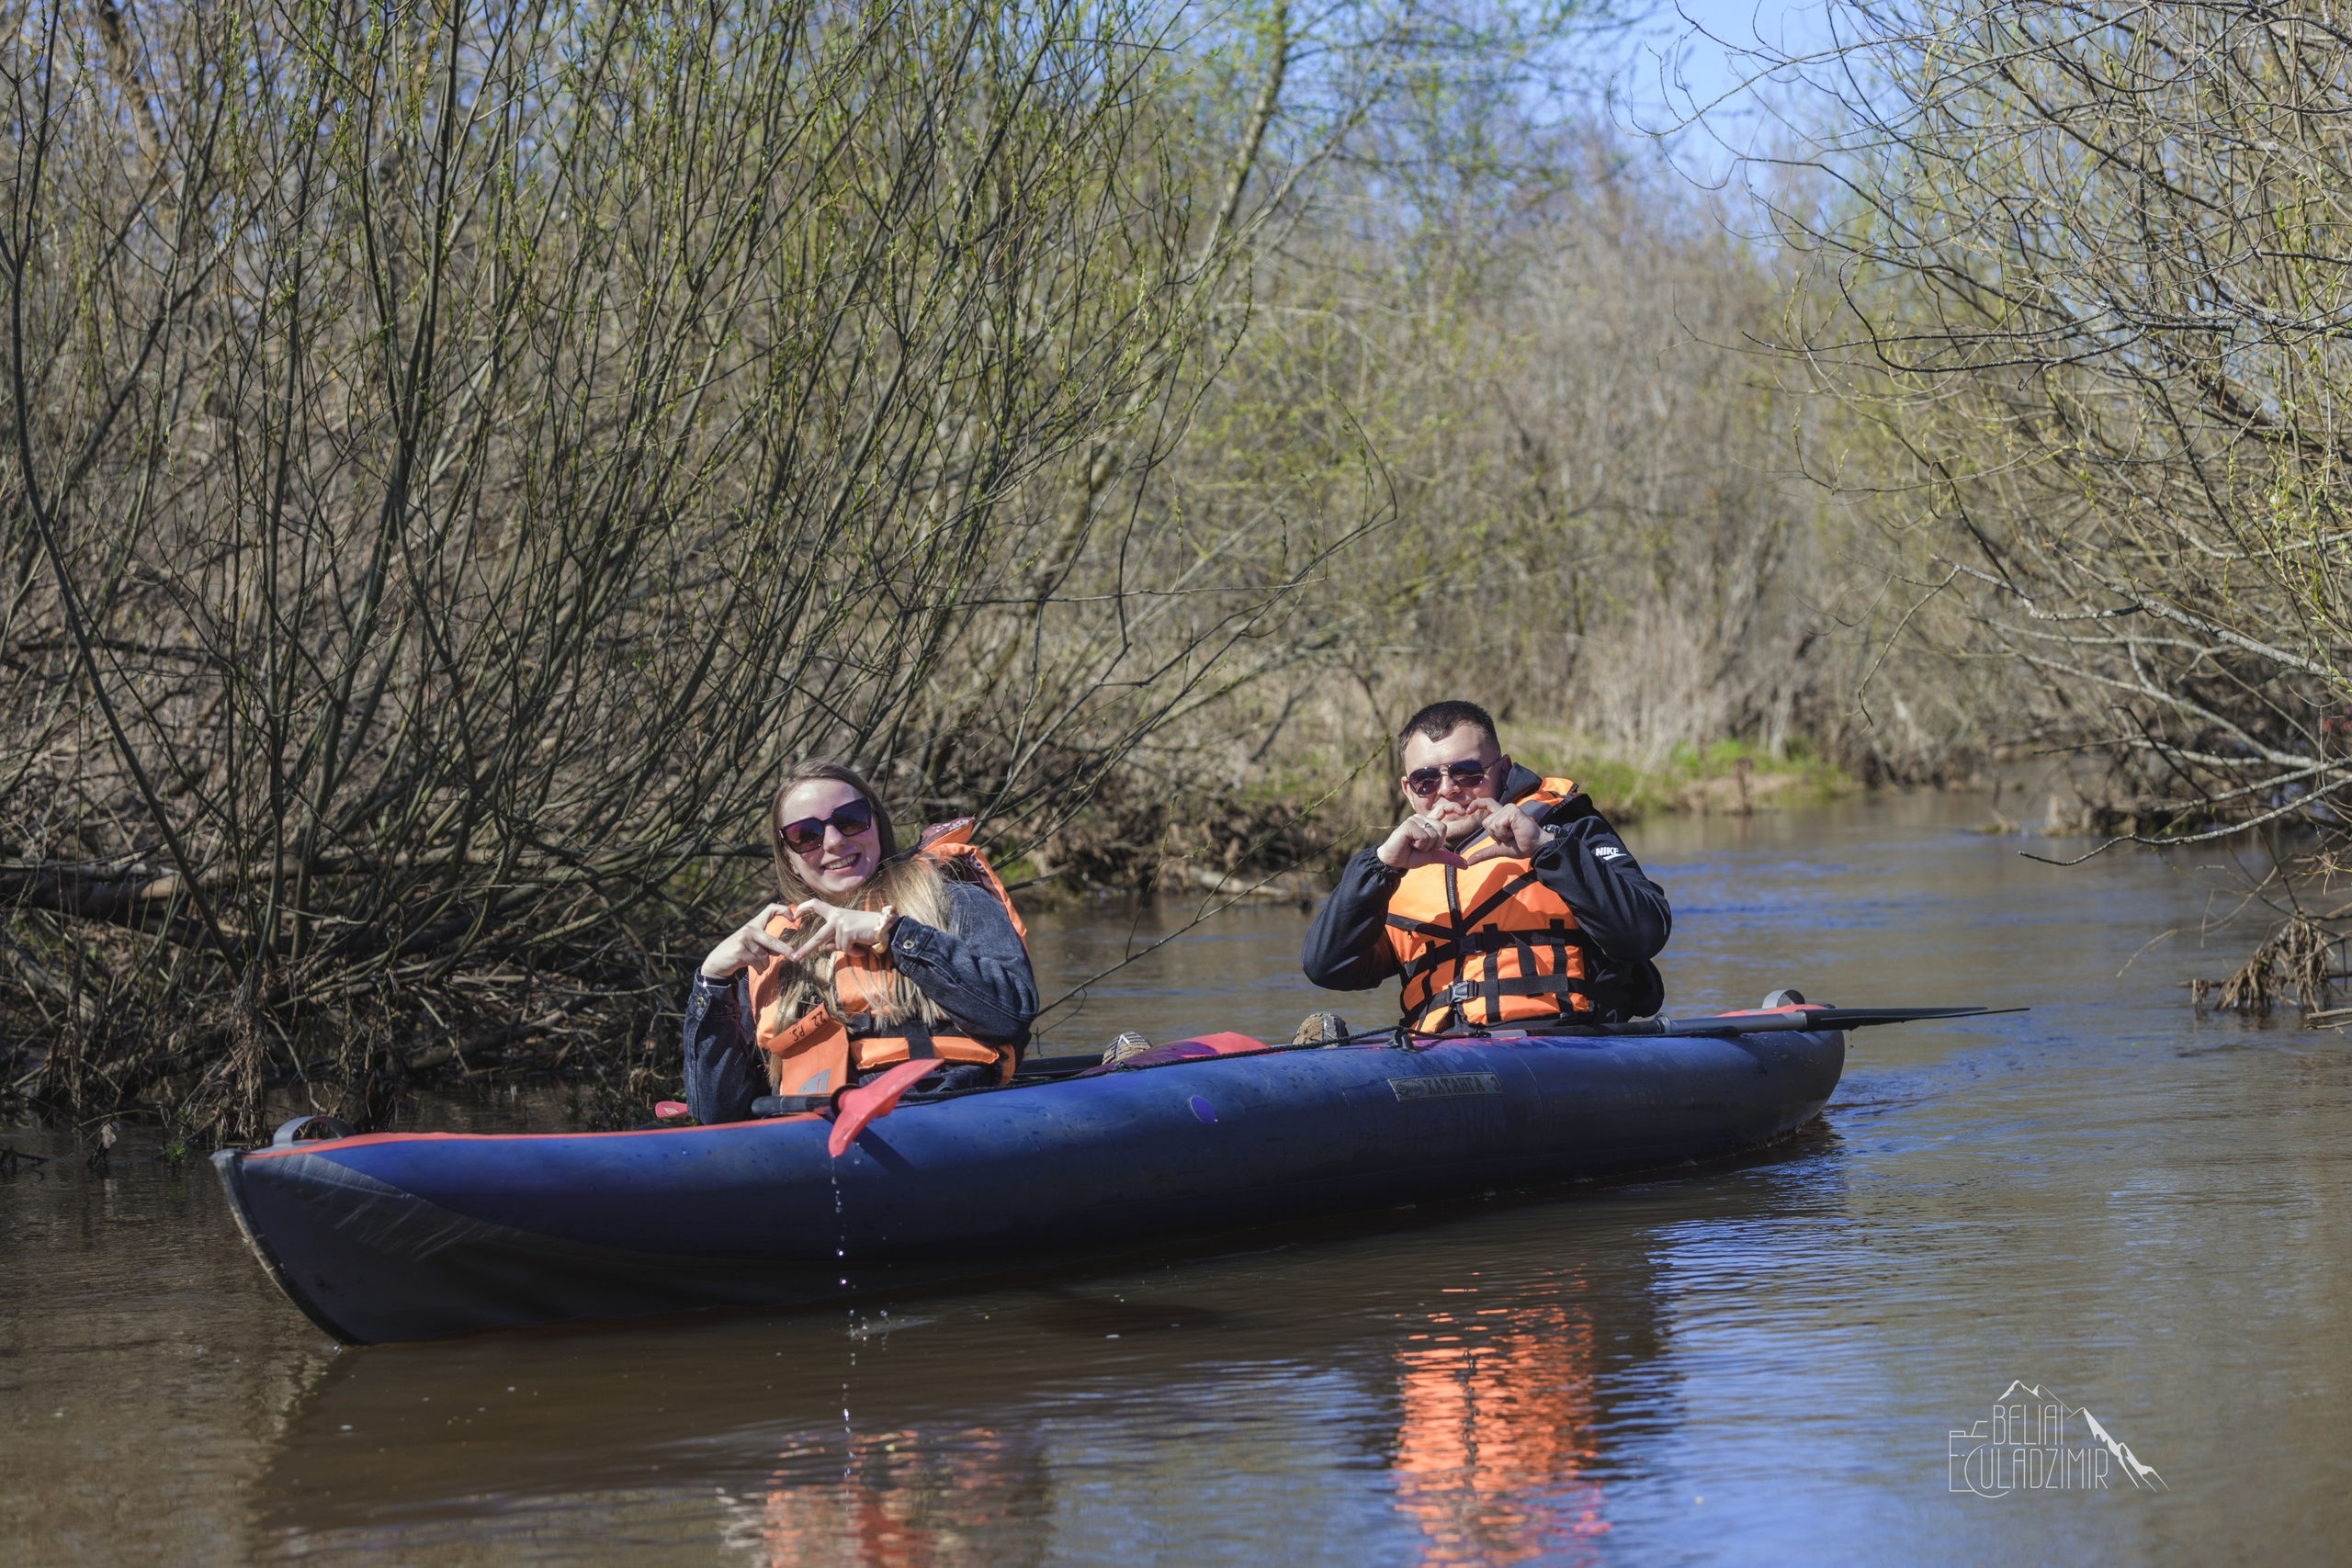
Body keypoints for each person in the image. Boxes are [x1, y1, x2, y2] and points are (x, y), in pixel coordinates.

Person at [683, 760, 1038, 1122]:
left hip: (938, 1115)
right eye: (806, 834)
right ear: (788, 857)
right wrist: (711, 983)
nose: (835, 842)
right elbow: (717, 1113)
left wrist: (896, 934)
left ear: (876, 823)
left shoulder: (952, 900)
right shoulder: (769, 952)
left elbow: (1009, 1016)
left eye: (850, 819)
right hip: (807, 1135)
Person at [1300, 700, 1669, 1032]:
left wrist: (1546, 848)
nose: (1447, 790)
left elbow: (1644, 933)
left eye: (1467, 772)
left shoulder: (1566, 828)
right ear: (1408, 790)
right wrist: (1379, 868)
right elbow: (1327, 967)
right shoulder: (1389, 874)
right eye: (1426, 780)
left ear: (1503, 770)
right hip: (1438, 1058)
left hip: (1563, 1043)